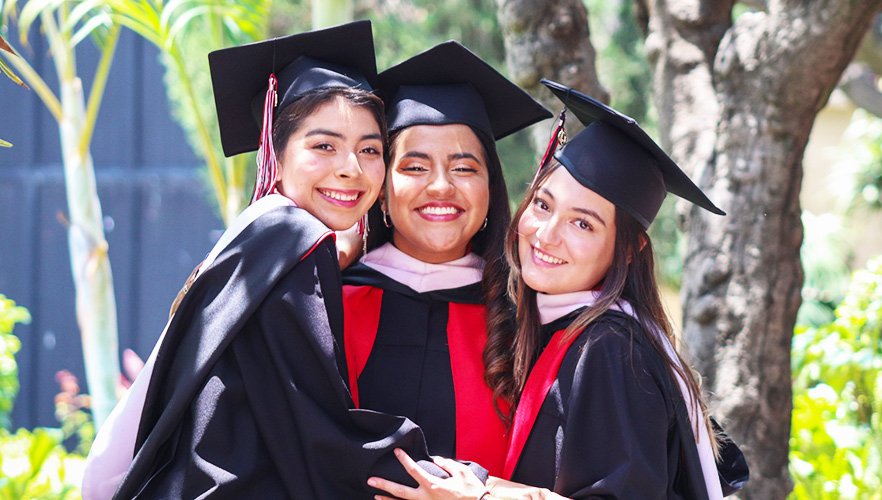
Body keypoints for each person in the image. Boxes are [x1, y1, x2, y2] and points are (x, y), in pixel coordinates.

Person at [82, 21, 477, 500]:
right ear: (276, 149)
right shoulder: (294, 241)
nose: (350, 168)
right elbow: (322, 433)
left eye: (369, 150)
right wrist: (456, 479)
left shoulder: (261, 236)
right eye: (323, 146)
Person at [368, 81, 748, 500]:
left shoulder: (613, 351)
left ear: (628, 249)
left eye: (582, 223)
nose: (546, 235)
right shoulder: (560, 331)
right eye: (544, 205)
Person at [340, 41, 550, 479]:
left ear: (491, 187)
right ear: (381, 190)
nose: (440, 187)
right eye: (415, 167)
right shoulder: (330, 303)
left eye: (464, 168)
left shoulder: (530, 315)